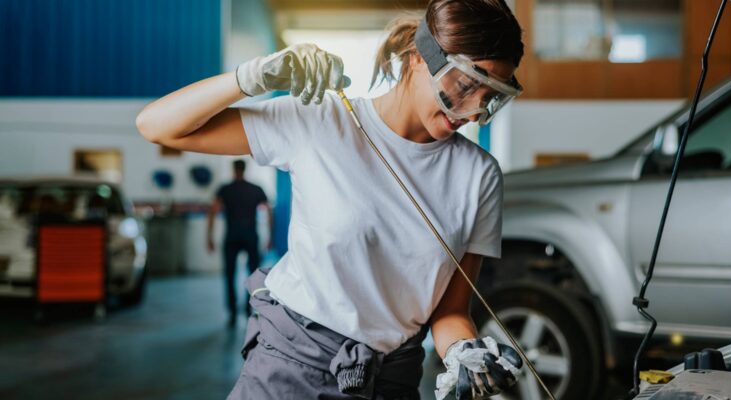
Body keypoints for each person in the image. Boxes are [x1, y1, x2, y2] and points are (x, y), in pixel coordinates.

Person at [136, 1, 526, 398]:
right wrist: (249, 77)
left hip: (391, 380)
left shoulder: (479, 176)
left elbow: (452, 310)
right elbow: (157, 126)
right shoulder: (320, 121)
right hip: (289, 370)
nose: (474, 112)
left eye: (491, 97)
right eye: (465, 86)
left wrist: (461, 351)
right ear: (418, 58)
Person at [207, 160, 272, 326]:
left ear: (233, 169)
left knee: (229, 275)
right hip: (250, 235)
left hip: (232, 236)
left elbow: (212, 211)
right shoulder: (255, 189)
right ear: (244, 169)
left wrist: (209, 237)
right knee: (253, 274)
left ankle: (232, 312)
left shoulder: (225, 189)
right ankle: (248, 308)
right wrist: (270, 236)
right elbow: (269, 211)